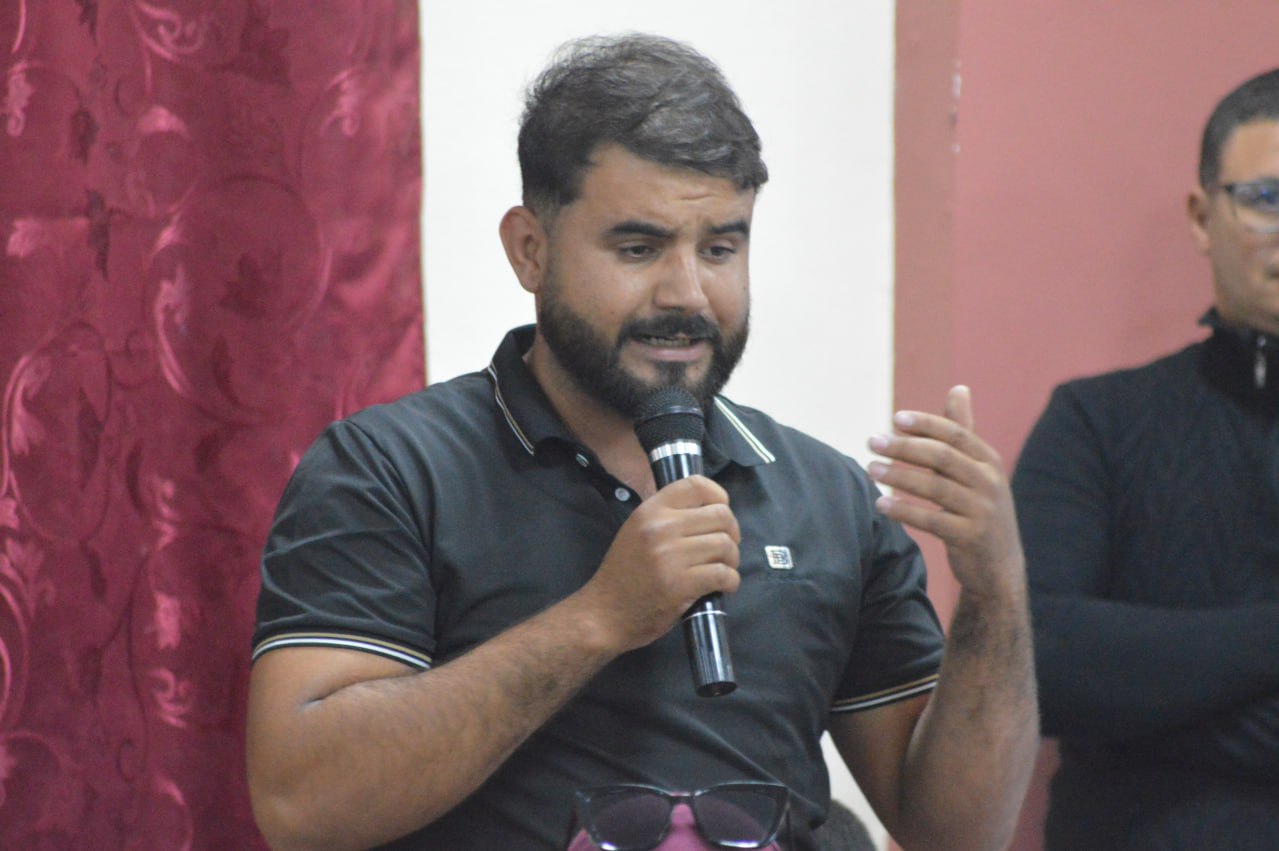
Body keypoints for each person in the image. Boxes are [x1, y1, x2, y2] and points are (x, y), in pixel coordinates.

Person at [245, 33, 1037, 851]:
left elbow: (957, 835)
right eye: (639, 248)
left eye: (720, 248)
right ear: (530, 250)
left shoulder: (826, 497)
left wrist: (997, 592)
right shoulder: (390, 470)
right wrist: (600, 617)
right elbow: (303, 805)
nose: (687, 293)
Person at [1012, 67, 1279, 850]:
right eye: (1268, 198)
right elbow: (1033, 659)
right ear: (1202, 216)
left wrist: (1147, 700)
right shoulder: (1096, 422)